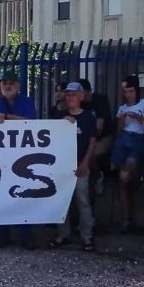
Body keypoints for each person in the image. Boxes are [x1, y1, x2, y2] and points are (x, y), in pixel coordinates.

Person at [0, 70, 38, 250]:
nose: (7, 86)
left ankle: (25, 235)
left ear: (19, 85)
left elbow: (31, 123)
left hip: (22, 158)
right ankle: (1, 235)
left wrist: (6, 117)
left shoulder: (26, 102)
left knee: (22, 195)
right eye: (4, 82)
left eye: (11, 82)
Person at [49, 82, 97, 251]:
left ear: (81, 97)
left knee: (83, 201)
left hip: (80, 167)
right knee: (61, 202)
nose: (71, 97)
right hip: (62, 167)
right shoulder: (58, 115)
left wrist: (85, 163)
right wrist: (62, 122)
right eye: (68, 94)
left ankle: (87, 237)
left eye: (74, 94)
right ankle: (63, 235)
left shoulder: (89, 117)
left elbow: (92, 141)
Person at [111, 75, 144, 233]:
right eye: (125, 91)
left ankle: (139, 179)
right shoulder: (121, 108)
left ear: (137, 90)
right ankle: (126, 219)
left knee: (125, 175)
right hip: (123, 141)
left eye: (131, 91)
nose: (128, 94)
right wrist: (121, 123)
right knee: (122, 181)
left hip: (138, 141)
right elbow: (117, 133)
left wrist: (139, 118)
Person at [78, 78, 115, 197]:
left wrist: (87, 142)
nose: (80, 96)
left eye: (82, 93)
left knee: (91, 153)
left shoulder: (100, 100)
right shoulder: (78, 102)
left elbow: (99, 128)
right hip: (86, 137)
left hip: (104, 136)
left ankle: (99, 176)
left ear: (90, 91)